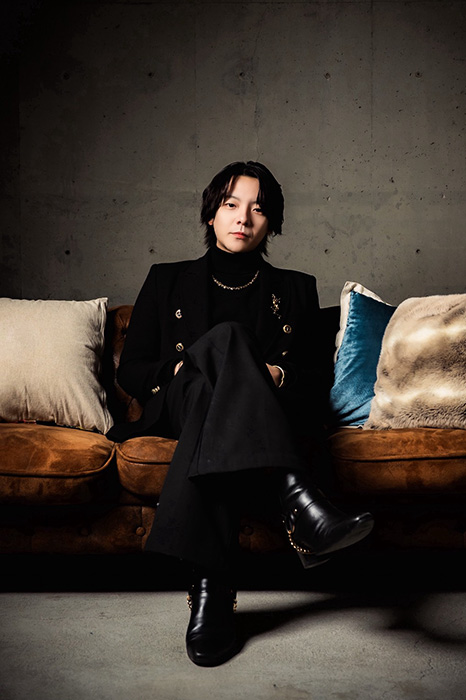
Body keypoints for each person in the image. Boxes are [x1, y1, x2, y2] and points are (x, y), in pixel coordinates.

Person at [107, 161, 373, 667]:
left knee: (222, 379)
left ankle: (212, 589)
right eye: (231, 204)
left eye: (258, 209)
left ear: (271, 223)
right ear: (211, 213)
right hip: (178, 403)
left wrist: (278, 375)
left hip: (246, 414)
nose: (243, 218)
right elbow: (133, 370)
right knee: (224, 342)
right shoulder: (166, 280)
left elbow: (316, 378)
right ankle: (297, 497)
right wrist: (189, 364)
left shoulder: (295, 288)